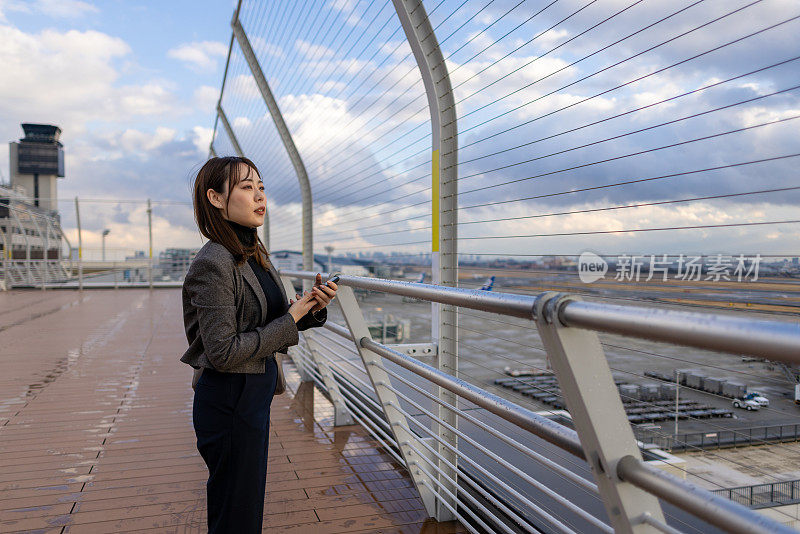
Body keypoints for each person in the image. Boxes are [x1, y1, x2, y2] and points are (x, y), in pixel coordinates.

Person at [181, 156, 337, 533]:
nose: (260, 197)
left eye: (262, 187)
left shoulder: (253, 254)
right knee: (236, 511)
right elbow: (223, 352)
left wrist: (311, 308)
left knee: (241, 505)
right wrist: (293, 317)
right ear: (216, 199)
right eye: (247, 188)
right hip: (230, 399)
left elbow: (270, 318)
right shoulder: (214, 262)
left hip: (250, 396)